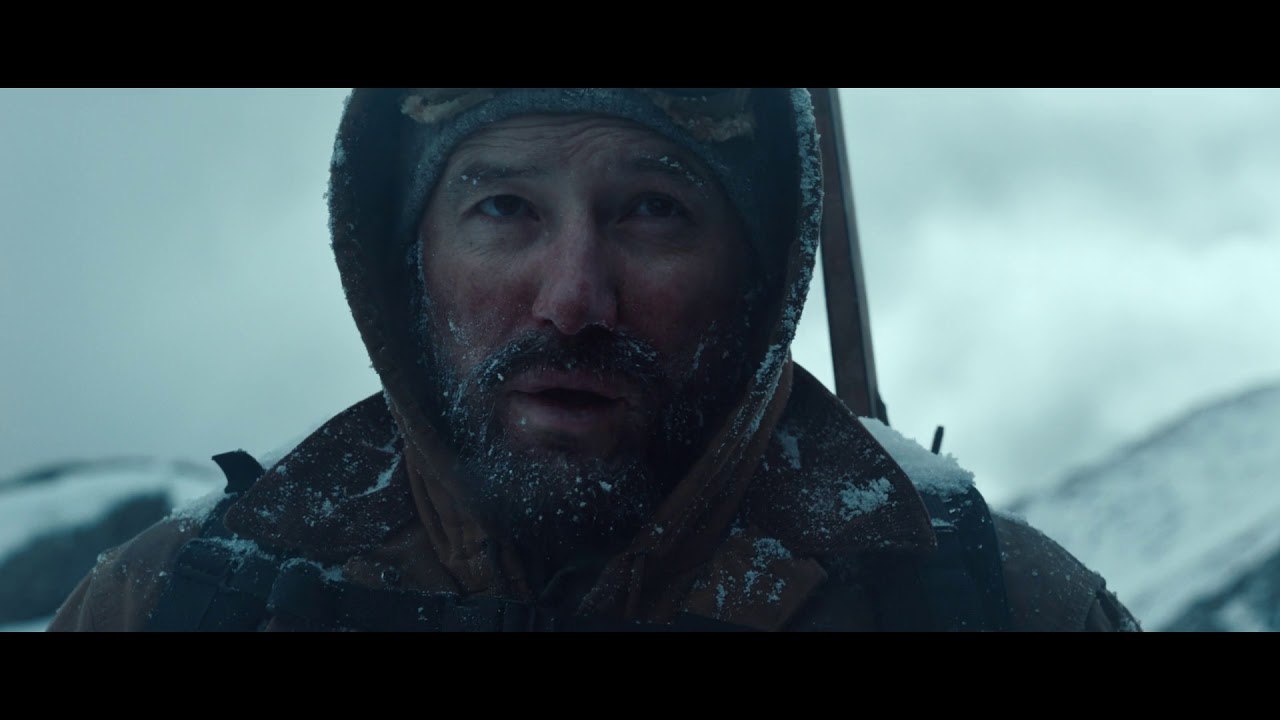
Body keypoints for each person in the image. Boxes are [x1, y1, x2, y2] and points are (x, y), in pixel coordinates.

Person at [50, 88, 1139, 632]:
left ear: (757, 270)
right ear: (405, 261)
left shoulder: (995, 608)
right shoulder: (179, 604)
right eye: (504, 208)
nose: (572, 299)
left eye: (652, 209)